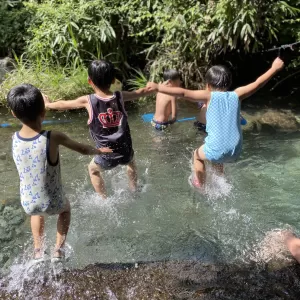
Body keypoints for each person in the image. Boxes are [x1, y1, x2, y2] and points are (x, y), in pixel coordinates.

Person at [7, 84, 112, 261]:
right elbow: (83, 150)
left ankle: (38, 250)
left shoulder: (14, 139)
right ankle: (58, 250)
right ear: (43, 111)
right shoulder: (53, 137)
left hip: (28, 202)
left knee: (36, 212)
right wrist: (99, 151)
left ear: (14, 114)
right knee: (65, 210)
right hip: (53, 202)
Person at [148, 57, 284, 190]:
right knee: (217, 158)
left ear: (207, 85)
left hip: (217, 147)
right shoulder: (237, 94)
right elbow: (258, 83)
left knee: (196, 155)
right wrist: (274, 68)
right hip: (236, 149)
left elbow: (183, 93)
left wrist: (158, 87)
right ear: (229, 83)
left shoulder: (208, 96)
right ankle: (221, 182)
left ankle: (200, 185)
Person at [44, 60, 156, 199]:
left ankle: (104, 199)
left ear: (89, 81)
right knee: (131, 162)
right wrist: (154, 87)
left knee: (93, 170)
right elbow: (142, 92)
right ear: (114, 80)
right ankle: (133, 189)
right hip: (125, 150)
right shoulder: (121, 97)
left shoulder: (88, 101)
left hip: (105, 154)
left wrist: (48, 105)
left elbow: (64, 105)